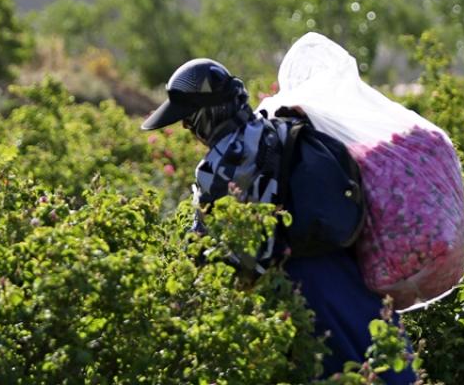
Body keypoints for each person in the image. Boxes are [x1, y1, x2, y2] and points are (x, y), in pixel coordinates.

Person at [141, 57, 416, 383]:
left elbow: (203, 251)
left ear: (207, 115)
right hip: (347, 269)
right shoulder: (280, 128)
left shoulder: (224, 164)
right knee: (386, 361)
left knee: (336, 371)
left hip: (302, 286)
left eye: (189, 120)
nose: (189, 130)